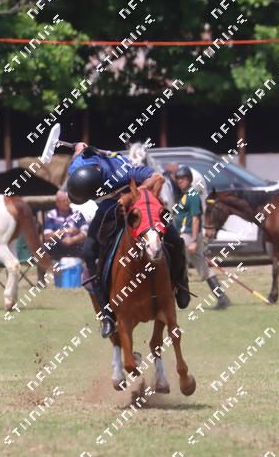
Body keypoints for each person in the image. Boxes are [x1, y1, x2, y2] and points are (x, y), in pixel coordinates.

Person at [66, 142, 190, 338]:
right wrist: (78, 150)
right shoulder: (77, 167)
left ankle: (181, 285)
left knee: (176, 240)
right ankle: (107, 315)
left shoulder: (122, 170)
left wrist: (132, 196)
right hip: (107, 211)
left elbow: (157, 177)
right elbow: (77, 156)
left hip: (138, 207)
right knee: (89, 253)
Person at [173, 165, 230, 309]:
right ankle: (222, 298)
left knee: (178, 267)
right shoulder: (184, 196)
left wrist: (193, 240)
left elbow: (196, 218)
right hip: (185, 236)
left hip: (188, 236)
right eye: (178, 179)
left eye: (183, 178)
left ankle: (178, 299)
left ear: (189, 180)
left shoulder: (192, 195)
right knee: (201, 267)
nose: (180, 181)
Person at [43, 190, 87, 259]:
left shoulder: (76, 214)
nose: (66, 203)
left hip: (75, 247)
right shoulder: (51, 215)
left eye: (67, 200)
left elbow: (85, 232)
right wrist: (65, 231)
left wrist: (73, 239)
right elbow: (47, 236)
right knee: (46, 247)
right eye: (63, 201)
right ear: (57, 203)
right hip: (57, 248)